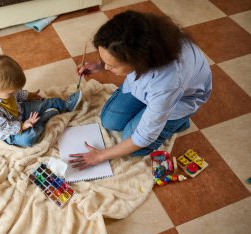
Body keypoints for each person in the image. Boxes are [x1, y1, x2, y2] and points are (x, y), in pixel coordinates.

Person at [69, 10, 212, 170]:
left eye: (112, 65)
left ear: (139, 60)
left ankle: (178, 121)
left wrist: (101, 155)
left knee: (134, 145)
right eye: (104, 60)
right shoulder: (144, 37)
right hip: (148, 89)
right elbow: (114, 54)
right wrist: (99, 65)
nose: (107, 68)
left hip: (178, 101)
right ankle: (154, 112)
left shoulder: (167, 82)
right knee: (109, 121)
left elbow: (144, 137)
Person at [0, 55, 82, 147]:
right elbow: (3, 127)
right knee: (28, 139)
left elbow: (17, 94)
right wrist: (23, 126)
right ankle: (42, 119)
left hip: (20, 110)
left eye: (15, 91)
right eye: (11, 93)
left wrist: (29, 95)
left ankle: (65, 105)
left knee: (49, 102)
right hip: (10, 131)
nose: (14, 94)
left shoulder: (4, 91)